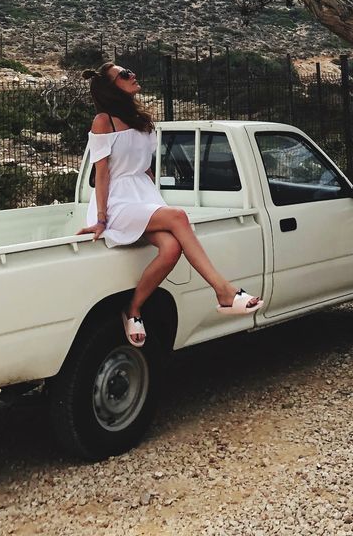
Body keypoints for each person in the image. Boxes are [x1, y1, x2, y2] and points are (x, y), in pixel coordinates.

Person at [77, 62, 262, 345]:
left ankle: (133, 309)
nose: (133, 74)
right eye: (125, 75)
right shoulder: (104, 120)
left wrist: (155, 200)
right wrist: (101, 218)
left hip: (143, 195)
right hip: (118, 200)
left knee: (171, 248)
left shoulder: (141, 119)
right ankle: (224, 291)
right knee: (178, 217)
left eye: (130, 70)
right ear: (112, 87)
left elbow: (146, 168)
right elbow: (101, 173)